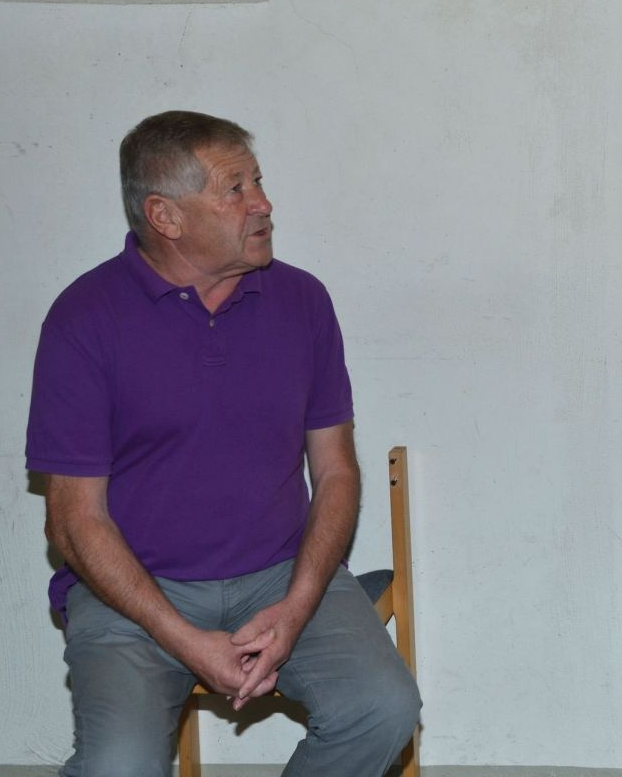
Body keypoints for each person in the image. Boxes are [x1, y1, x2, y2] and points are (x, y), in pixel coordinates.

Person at [26, 110, 421, 776]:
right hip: (133, 591)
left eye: (257, 182)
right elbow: (74, 521)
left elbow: (335, 473)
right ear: (165, 216)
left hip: (280, 573)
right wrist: (184, 639)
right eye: (234, 189)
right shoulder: (85, 318)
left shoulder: (302, 301)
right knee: (117, 769)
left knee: (382, 708)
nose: (262, 204)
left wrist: (297, 606)